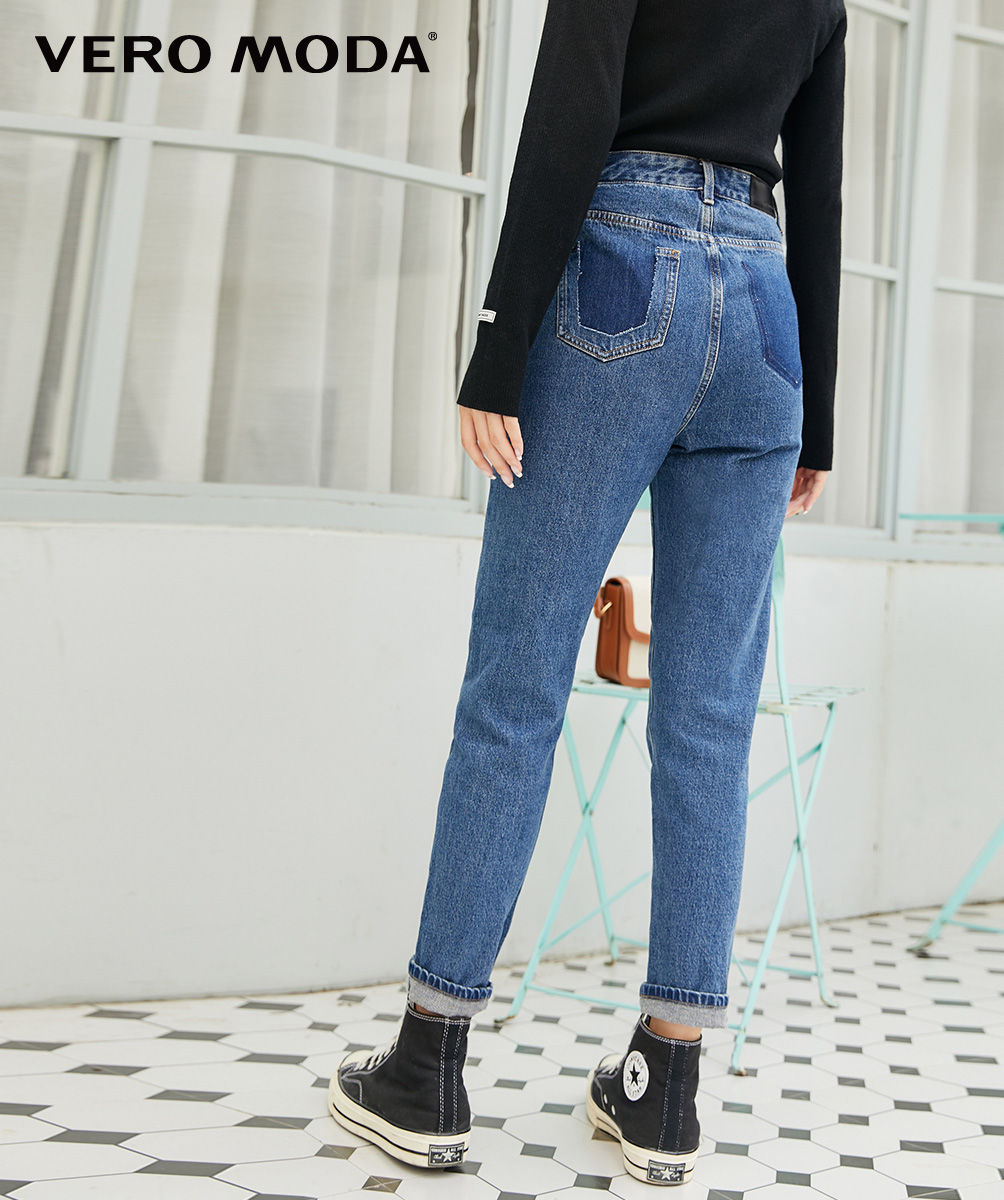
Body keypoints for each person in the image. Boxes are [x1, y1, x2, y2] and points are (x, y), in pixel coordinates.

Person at [328, 0, 847, 1185]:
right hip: (765, 316)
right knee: (711, 719)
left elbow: (569, 120)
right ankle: (667, 1083)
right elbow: (816, 193)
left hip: (624, 270)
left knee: (515, 693)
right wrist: (817, 414)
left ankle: (426, 1067)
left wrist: (498, 343)